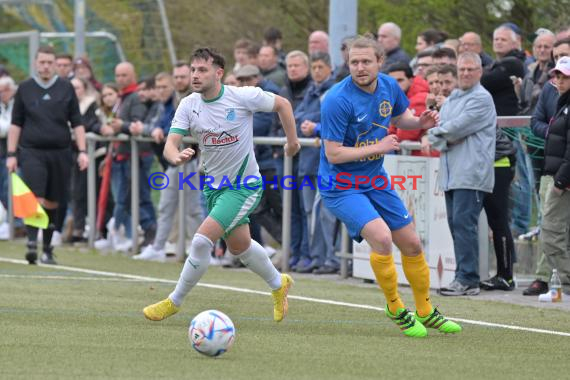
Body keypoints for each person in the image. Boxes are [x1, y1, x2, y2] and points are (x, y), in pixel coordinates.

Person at [142, 47, 301, 323]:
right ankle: (279, 284)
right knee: (240, 247)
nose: (195, 75)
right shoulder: (189, 104)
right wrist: (175, 157)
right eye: (193, 69)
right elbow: (171, 143)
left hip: (244, 185)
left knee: (202, 240)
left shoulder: (242, 96)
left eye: (202, 70)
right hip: (214, 188)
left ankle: (174, 301)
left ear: (219, 73)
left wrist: (293, 141)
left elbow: (283, 104)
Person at [319, 36, 460, 337]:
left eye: (366, 61)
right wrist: (380, 147)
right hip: (340, 184)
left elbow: (401, 118)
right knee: (382, 238)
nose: (359, 67)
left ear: (380, 61)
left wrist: (421, 122)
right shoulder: (336, 99)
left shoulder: (388, 85)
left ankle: (426, 310)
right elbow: (334, 154)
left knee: (411, 243)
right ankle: (395, 307)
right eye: (354, 62)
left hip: (374, 178)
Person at [6, 46, 89, 264]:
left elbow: (77, 122)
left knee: (53, 200)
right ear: (35, 63)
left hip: (61, 152)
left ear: (55, 65)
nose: (45, 66)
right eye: (42, 62)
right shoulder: (25, 88)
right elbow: (16, 124)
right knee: (35, 196)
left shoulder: (66, 88)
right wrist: (11, 153)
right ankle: (32, 243)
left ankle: (48, 248)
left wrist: (82, 151)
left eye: (49, 62)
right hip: (32, 151)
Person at [428, 52, 497, 296]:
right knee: (455, 225)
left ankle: (467, 278)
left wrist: (441, 135)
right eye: (462, 69)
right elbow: (446, 132)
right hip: (450, 173)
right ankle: (463, 276)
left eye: (470, 69)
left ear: (480, 72)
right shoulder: (454, 97)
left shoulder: (482, 98)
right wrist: (443, 135)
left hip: (471, 173)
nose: (466, 73)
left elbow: (454, 129)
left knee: (464, 225)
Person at [538, 56, 570, 294]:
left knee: (550, 233)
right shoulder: (563, 103)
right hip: (559, 176)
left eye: (564, 76)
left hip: (562, 181)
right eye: (557, 75)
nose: (558, 80)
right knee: (552, 233)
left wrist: (561, 180)